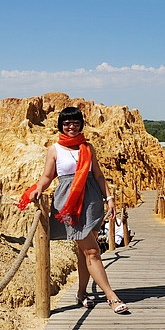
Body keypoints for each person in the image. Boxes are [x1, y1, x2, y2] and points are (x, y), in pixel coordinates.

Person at [22, 107, 129, 315]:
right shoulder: (55, 149)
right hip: (69, 204)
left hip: (91, 201)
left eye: (75, 122)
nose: (72, 126)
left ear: (81, 124)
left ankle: (81, 294)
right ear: (61, 125)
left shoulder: (87, 147)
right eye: (67, 123)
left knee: (84, 254)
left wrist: (109, 198)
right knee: (93, 251)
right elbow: (47, 176)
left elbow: (98, 176)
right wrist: (37, 189)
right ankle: (111, 297)